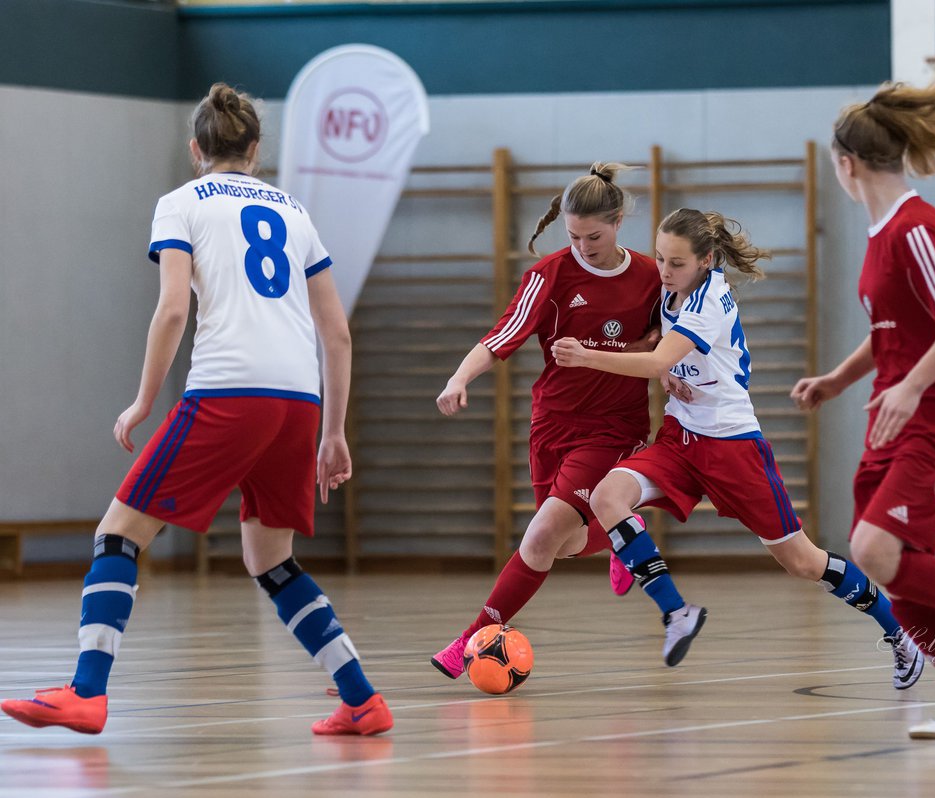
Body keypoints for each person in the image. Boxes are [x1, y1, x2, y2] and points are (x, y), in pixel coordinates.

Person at [0, 84, 391, 737]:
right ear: (256, 149)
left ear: (195, 150)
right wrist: (335, 432)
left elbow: (174, 309)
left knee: (117, 534)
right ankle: (361, 698)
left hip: (228, 392)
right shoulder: (294, 211)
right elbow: (336, 333)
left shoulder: (181, 203)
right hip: (298, 401)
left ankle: (86, 692)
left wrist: (144, 400)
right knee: (271, 561)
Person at [551, 209, 925, 687]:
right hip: (681, 439)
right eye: (661, 258)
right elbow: (660, 350)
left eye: (677, 263)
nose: (664, 271)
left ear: (706, 260)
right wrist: (667, 370)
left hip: (731, 445)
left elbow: (659, 355)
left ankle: (900, 634)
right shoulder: (671, 289)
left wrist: (590, 357)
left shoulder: (710, 300)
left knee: (803, 562)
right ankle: (677, 613)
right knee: (607, 497)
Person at [790, 68, 935, 740]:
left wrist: (914, 384)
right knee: (887, 567)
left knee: (874, 545)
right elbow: (896, 330)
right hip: (891, 417)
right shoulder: (883, 234)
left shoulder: (917, 226)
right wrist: (839, 379)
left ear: (847, 164)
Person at [431, 163, 664, 678]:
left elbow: (667, 346)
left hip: (614, 430)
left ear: (620, 219)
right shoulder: (550, 275)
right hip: (553, 424)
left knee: (537, 539)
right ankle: (625, 529)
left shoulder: (650, 276)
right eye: (574, 235)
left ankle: (469, 641)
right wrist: (458, 378)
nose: (583, 246)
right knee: (563, 545)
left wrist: (662, 367)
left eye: (595, 236)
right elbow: (501, 336)